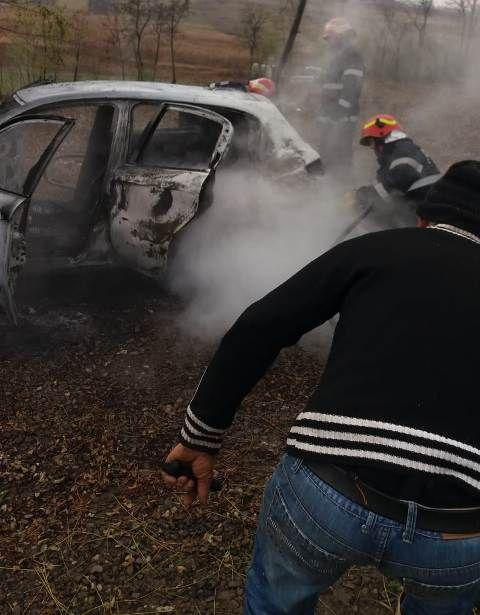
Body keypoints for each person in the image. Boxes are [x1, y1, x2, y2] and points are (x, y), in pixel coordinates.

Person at [162, 160, 480, 615]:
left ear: (423, 218)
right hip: (458, 527)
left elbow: (258, 327)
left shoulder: (375, 249)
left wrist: (200, 438)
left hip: (327, 492)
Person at [354, 114, 441, 227]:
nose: (371, 147)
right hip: (425, 211)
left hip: (424, 215)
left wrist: (364, 195)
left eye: (371, 142)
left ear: (381, 137)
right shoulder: (399, 152)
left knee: (379, 216)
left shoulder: (403, 150)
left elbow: (399, 179)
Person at [317, 17, 365, 176]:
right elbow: (331, 84)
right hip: (331, 116)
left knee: (340, 155)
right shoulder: (337, 57)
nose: (328, 42)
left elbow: (351, 90)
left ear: (340, 36)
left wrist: (339, 118)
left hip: (342, 119)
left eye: (330, 38)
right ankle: (327, 183)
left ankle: (341, 186)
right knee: (326, 153)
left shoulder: (352, 56)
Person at [209, 77, 276, 98]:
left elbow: (229, 83)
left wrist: (215, 85)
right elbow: (229, 83)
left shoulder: (240, 88)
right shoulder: (242, 88)